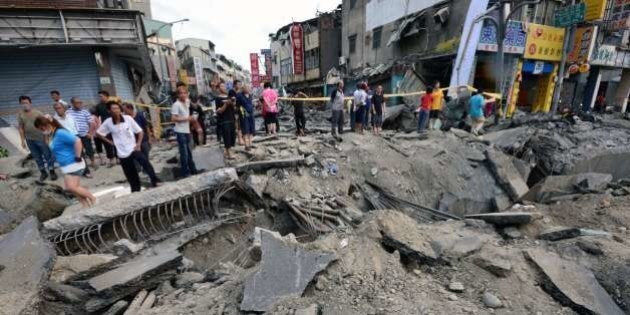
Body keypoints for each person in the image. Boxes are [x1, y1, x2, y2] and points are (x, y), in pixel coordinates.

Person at [97, 101, 160, 192]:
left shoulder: (128, 119)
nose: (116, 111)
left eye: (117, 108)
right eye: (113, 109)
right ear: (109, 111)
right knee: (130, 173)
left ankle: (155, 181)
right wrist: (110, 142)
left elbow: (140, 131)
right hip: (121, 152)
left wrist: (138, 144)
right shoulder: (108, 122)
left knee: (145, 162)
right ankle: (135, 190)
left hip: (133, 148)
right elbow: (98, 133)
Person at [34, 116, 96, 206]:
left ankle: (93, 199)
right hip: (65, 165)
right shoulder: (51, 134)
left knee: (72, 187)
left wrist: (78, 156)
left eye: (41, 128)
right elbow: (49, 145)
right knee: (71, 188)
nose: (41, 130)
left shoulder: (60, 133)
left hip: (73, 163)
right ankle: (85, 205)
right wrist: (45, 134)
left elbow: (78, 141)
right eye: (40, 129)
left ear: (47, 124)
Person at [18, 95, 57, 182]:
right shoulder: (20, 114)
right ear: (20, 104)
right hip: (29, 140)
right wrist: (22, 140)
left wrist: (46, 138)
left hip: (41, 139)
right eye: (22, 103)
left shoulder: (38, 113)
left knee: (47, 155)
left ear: (30, 103)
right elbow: (21, 128)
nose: (24, 104)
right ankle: (43, 172)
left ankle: (51, 170)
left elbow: (46, 125)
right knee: (37, 157)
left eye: (26, 102)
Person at [171, 86, 198, 178]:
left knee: (189, 152)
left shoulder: (186, 102)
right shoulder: (176, 104)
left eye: (184, 93)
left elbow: (195, 106)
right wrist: (188, 118)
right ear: (178, 95)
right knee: (184, 153)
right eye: (181, 93)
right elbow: (173, 118)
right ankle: (185, 173)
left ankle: (193, 170)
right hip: (180, 131)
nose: (183, 95)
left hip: (186, 130)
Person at [68, 97, 96, 176]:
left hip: (85, 135)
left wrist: (90, 133)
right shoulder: (68, 112)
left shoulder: (85, 112)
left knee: (89, 149)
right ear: (72, 103)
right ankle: (84, 167)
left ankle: (93, 162)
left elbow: (91, 123)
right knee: (80, 152)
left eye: (80, 102)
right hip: (75, 136)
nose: (79, 104)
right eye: (77, 103)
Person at [94, 90, 117, 167]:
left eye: (101, 96)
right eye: (99, 96)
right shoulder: (98, 106)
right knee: (108, 144)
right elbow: (96, 117)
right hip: (105, 128)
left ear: (107, 96)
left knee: (117, 142)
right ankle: (111, 160)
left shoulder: (113, 105)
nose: (100, 98)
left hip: (115, 126)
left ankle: (118, 158)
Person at [215, 82, 237, 159]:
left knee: (232, 136)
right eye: (221, 86)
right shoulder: (217, 98)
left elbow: (234, 108)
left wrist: (233, 103)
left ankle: (226, 151)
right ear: (218, 88)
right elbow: (219, 111)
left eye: (224, 86)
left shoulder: (229, 97)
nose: (223, 87)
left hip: (232, 119)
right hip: (224, 120)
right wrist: (226, 104)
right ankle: (229, 153)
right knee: (226, 136)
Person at [236, 85, 255, 150]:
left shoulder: (250, 95)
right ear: (243, 89)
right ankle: (246, 145)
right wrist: (241, 112)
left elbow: (251, 104)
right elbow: (237, 106)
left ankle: (250, 143)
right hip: (244, 115)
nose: (249, 89)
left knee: (251, 129)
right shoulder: (239, 96)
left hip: (251, 114)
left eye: (249, 88)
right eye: (247, 88)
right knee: (245, 129)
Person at [229, 80, 244, 146]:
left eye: (240, 84)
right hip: (234, 111)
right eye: (238, 84)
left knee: (241, 124)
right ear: (234, 85)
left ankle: (241, 138)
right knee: (237, 125)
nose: (239, 85)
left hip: (241, 110)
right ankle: (238, 139)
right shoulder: (231, 91)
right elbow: (232, 100)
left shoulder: (241, 92)